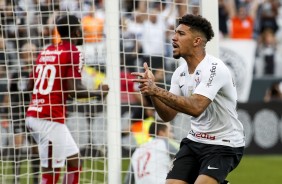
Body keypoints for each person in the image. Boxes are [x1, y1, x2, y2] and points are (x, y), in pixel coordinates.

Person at [132, 14, 245, 184]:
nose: (173, 37)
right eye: (175, 33)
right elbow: (167, 115)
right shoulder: (180, 73)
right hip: (194, 141)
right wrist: (152, 92)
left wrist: (157, 90)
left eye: (181, 34)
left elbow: (196, 107)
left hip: (224, 144)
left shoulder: (215, 68)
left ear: (197, 41)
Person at [25, 14, 109, 184]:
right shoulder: (73, 52)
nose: (84, 34)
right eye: (82, 30)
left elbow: (29, 85)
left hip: (36, 114)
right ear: (76, 32)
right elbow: (73, 90)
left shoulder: (46, 51)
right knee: (51, 173)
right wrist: (98, 92)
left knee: (74, 162)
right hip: (49, 118)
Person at [1, 42, 40, 184]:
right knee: (17, 144)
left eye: (34, 53)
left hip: (35, 115)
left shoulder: (39, 71)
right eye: (29, 53)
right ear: (23, 55)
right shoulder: (17, 74)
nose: (31, 56)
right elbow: (8, 94)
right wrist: (5, 113)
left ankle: (36, 180)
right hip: (18, 114)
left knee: (35, 148)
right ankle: (15, 179)